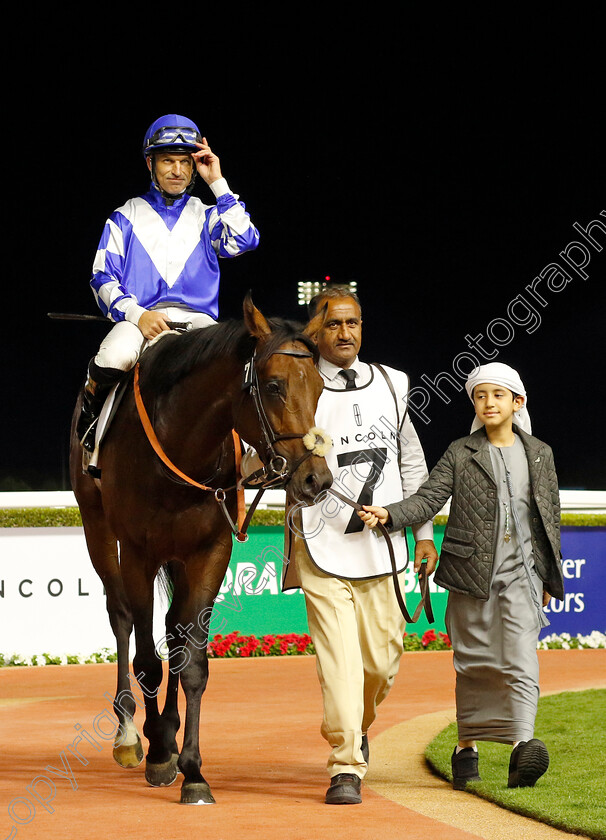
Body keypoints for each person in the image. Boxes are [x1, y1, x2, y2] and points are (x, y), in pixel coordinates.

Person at [359, 362, 564, 790]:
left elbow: (550, 519)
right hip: (469, 574)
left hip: (523, 576)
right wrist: (390, 515)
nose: (489, 402)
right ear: (474, 403)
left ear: (517, 401)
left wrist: (548, 576)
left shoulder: (541, 452)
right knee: (474, 663)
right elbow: (428, 498)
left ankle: (522, 745)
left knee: (521, 658)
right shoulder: (460, 451)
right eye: (480, 395)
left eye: (498, 395)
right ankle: (465, 745)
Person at [283, 286, 437, 805]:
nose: (344, 333)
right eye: (333, 325)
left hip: (387, 550)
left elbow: (412, 464)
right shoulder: (301, 386)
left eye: (352, 323)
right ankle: (345, 764)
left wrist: (422, 530)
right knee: (340, 666)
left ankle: (356, 726)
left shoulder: (393, 385)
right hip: (322, 547)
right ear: (315, 331)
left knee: (380, 663)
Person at [76, 113, 260, 451]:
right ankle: (92, 430)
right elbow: (101, 277)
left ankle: (250, 455)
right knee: (113, 358)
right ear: (150, 163)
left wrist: (217, 182)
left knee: (245, 365)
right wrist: (137, 315)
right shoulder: (124, 215)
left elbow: (246, 239)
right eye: (167, 161)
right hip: (141, 319)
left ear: (194, 166)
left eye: (184, 161)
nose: (176, 170)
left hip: (200, 324)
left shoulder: (208, 214)